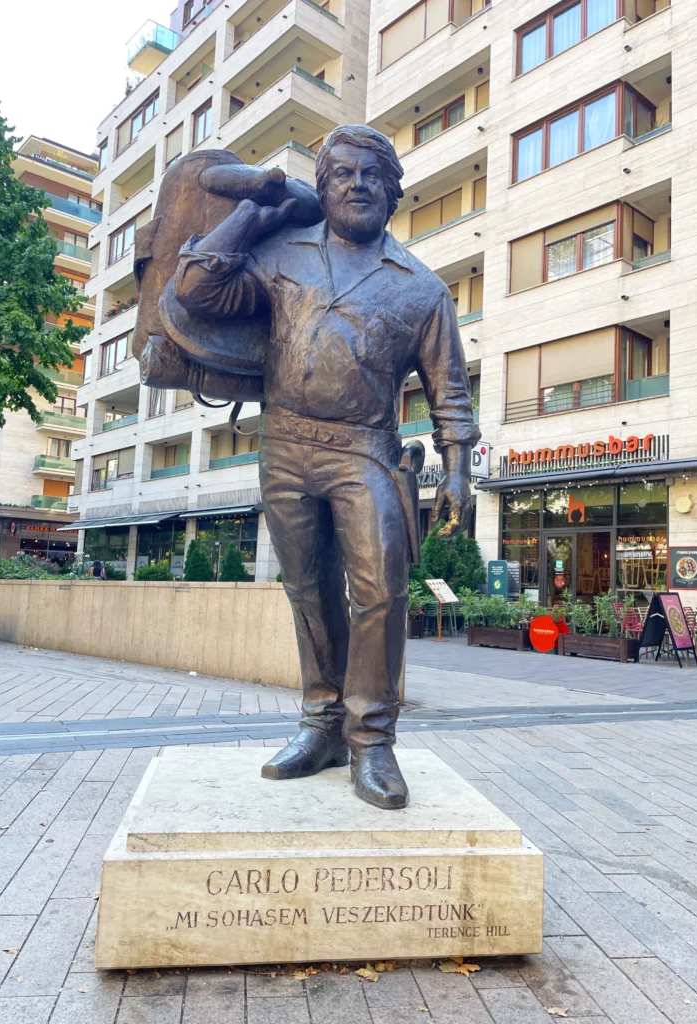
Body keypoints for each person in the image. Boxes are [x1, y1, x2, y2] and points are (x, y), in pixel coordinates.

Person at [174, 125, 479, 809]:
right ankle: (320, 725)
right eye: (342, 172)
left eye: (373, 173)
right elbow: (195, 289)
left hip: (365, 449)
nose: (358, 184)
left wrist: (459, 466)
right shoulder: (282, 253)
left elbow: (449, 390)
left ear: (394, 191)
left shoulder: (422, 289)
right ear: (322, 187)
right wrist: (257, 209)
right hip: (284, 445)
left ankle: (370, 739)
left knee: (380, 591)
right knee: (307, 592)